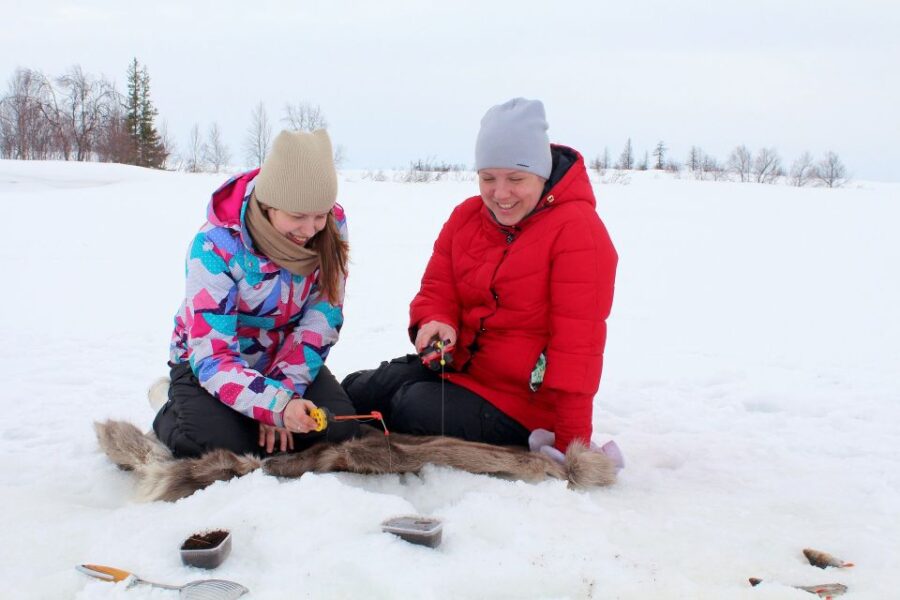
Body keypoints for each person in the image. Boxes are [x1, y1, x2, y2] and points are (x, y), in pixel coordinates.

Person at [342, 98, 619, 459]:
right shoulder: (467, 217)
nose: (500, 194)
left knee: (411, 406)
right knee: (359, 389)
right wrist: (436, 322)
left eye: (516, 179)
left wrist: (571, 446)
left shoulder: (579, 232)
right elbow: (437, 289)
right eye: (488, 178)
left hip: (522, 403)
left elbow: (578, 348)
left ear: (542, 173)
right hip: (459, 371)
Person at [153, 129, 359, 458]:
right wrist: (275, 406)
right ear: (268, 205)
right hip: (211, 361)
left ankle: (246, 415)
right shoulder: (215, 245)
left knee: (336, 430)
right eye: (297, 216)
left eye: (319, 216)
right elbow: (213, 355)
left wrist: (285, 394)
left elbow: (323, 316)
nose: (310, 230)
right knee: (218, 445)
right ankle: (171, 403)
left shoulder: (332, 226)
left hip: (284, 355)